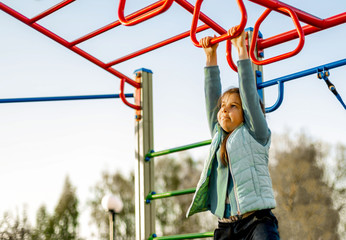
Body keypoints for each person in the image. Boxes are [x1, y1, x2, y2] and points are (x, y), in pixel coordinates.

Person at [186, 26, 280, 240]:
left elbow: (248, 93)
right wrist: (211, 56)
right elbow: (212, 99)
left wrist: (241, 50)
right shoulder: (218, 135)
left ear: (246, 112)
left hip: (257, 222)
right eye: (223, 106)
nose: (225, 109)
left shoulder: (256, 133)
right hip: (226, 227)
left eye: (234, 106)